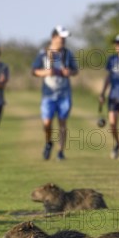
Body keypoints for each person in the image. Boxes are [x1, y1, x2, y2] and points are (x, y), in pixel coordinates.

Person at [32, 26, 79, 161]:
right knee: (47, 123)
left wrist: (69, 72)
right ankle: (48, 142)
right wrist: (46, 72)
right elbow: (34, 71)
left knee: (62, 122)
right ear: (54, 37)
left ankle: (60, 151)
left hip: (64, 93)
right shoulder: (43, 54)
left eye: (65, 38)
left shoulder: (68, 54)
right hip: (48, 94)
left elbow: (75, 71)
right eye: (61, 37)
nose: (63, 40)